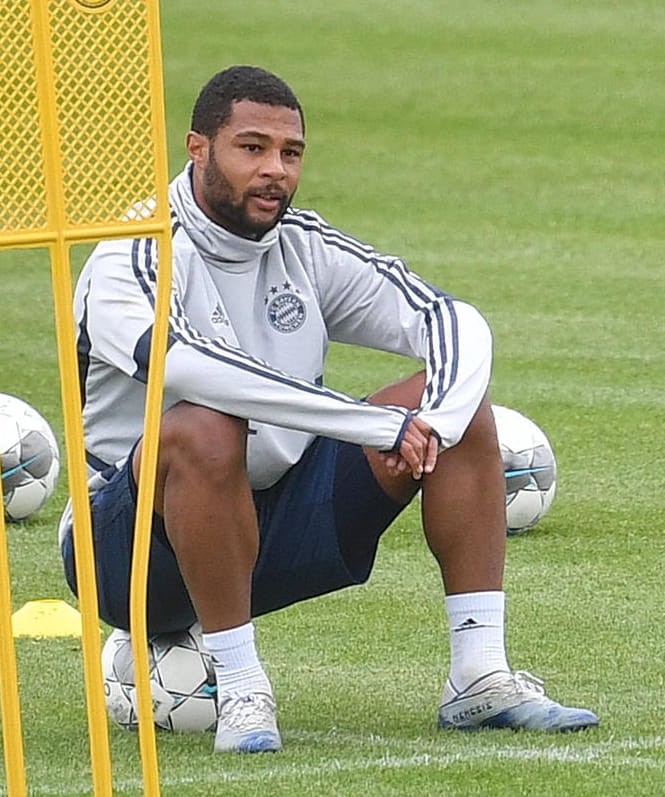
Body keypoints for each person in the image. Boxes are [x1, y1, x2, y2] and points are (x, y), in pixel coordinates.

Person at [57, 65, 598, 753]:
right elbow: (195, 370)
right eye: (250, 148)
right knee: (201, 423)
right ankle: (243, 685)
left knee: (454, 404)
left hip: (270, 525)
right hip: (128, 553)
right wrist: (374, 425)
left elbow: (447, 316)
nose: (273, 170)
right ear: (197, 148)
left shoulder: (302, 245)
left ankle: (477, 675)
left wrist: (439, 418)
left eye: (290, 153)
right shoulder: (129, 254)